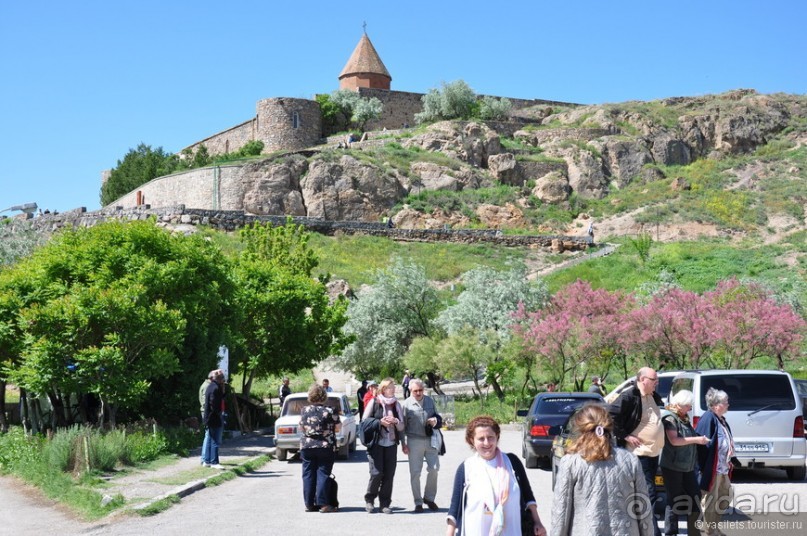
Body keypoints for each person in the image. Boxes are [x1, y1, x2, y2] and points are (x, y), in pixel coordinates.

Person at [552, 404, 654, 536]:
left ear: (579, 428)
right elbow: (643, 508)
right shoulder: (630, 460)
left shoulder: (571, 462)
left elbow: (561, 512)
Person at [446, 415, 546, 536]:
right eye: (481, 439)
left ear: (497, 437)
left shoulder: (512, 463)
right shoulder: (466, 468)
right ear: (472, 440)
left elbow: (528, 496)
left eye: (490, 437)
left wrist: (538, 522)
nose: (487, 443)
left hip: (512, 531)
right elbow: (455, 507)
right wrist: (449, 533)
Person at [608, 367, 664, 536]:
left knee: (645, 494)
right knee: (647, 494)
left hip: (652, 453)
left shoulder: (652, 395)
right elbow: (610, 414)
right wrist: (626, 436)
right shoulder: (629, 396)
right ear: (642, 380)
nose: (657, 383)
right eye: (654, 380)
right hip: (639, 454)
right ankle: (651, 532)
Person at [660, 390, 709, 536]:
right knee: (674, 499)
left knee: (695, 497)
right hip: (672, 466)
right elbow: (674, 440)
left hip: (687, 465)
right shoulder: (670, 418)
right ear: (680, 404)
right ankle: (671, 532)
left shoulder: (684, 418)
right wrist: (697, 440)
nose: (690, 408)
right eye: (688, 405)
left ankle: (694, 532)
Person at [695, 388, 735, 536]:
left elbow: (726, 441)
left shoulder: (721, 419)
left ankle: (713, 528)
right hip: (712, 469)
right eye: (726, 402)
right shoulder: (708, 418)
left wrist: (732, 458)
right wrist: (704, 468)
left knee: (726, 496)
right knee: (711, 501)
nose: (728, 404)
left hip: (723, 467)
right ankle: (710, 531)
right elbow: (702, 446)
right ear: (716, 404)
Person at [362, 377, 404, 514]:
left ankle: (385, 503)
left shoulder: (396, 404)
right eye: (390, 387)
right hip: (376, 443)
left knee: (389, 474)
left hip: (391, 443)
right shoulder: (374, 402)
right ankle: (369, 500)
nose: (393, 389)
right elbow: (364, 422)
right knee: (377, 473)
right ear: (383, 389)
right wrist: (380, 422)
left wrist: (396, 421)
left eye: (394, 387)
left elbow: (402, 426)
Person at [299, 383, 341, 513]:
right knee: (323, 473)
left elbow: (301, 427)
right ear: (323, 396)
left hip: (307, 446)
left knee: (308, 474)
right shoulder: (330, 410)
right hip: (325, 446)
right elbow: (338, 427)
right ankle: (323, 504)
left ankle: (309, 504)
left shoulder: (304, 410)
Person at [401, 378, 441, 512]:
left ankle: (429, 498)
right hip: (414, 440)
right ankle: (418, 502)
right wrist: (403, 443)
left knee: (434, 469)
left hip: (430, 439)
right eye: (415, 391)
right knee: (415, 473)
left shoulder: (429, 400)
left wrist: (435, 420)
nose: (418, 393)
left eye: (420, 390)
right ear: (410, 391)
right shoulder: (406, 404)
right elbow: (402, 426)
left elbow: (437, 416)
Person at [202, 369, 226, 470]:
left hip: (209, 417)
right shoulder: (215, 388)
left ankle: (206, 461)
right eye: (223, 379)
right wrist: (219, 413)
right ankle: (214, 462)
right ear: (220, 379)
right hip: (213, 417)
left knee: (209, 439)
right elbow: (214, 404)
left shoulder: (210, 386)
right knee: (215, 440)